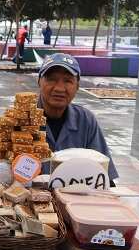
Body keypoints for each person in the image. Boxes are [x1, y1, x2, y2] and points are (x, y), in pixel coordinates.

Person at [38, 53, 119, 181]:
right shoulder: (20, 119)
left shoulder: (86, 121)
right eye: (51, 79)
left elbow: (104, 176)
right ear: (39, 82)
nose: (59, 88)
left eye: (68, 81)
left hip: (75, 199)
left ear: (77, 86)